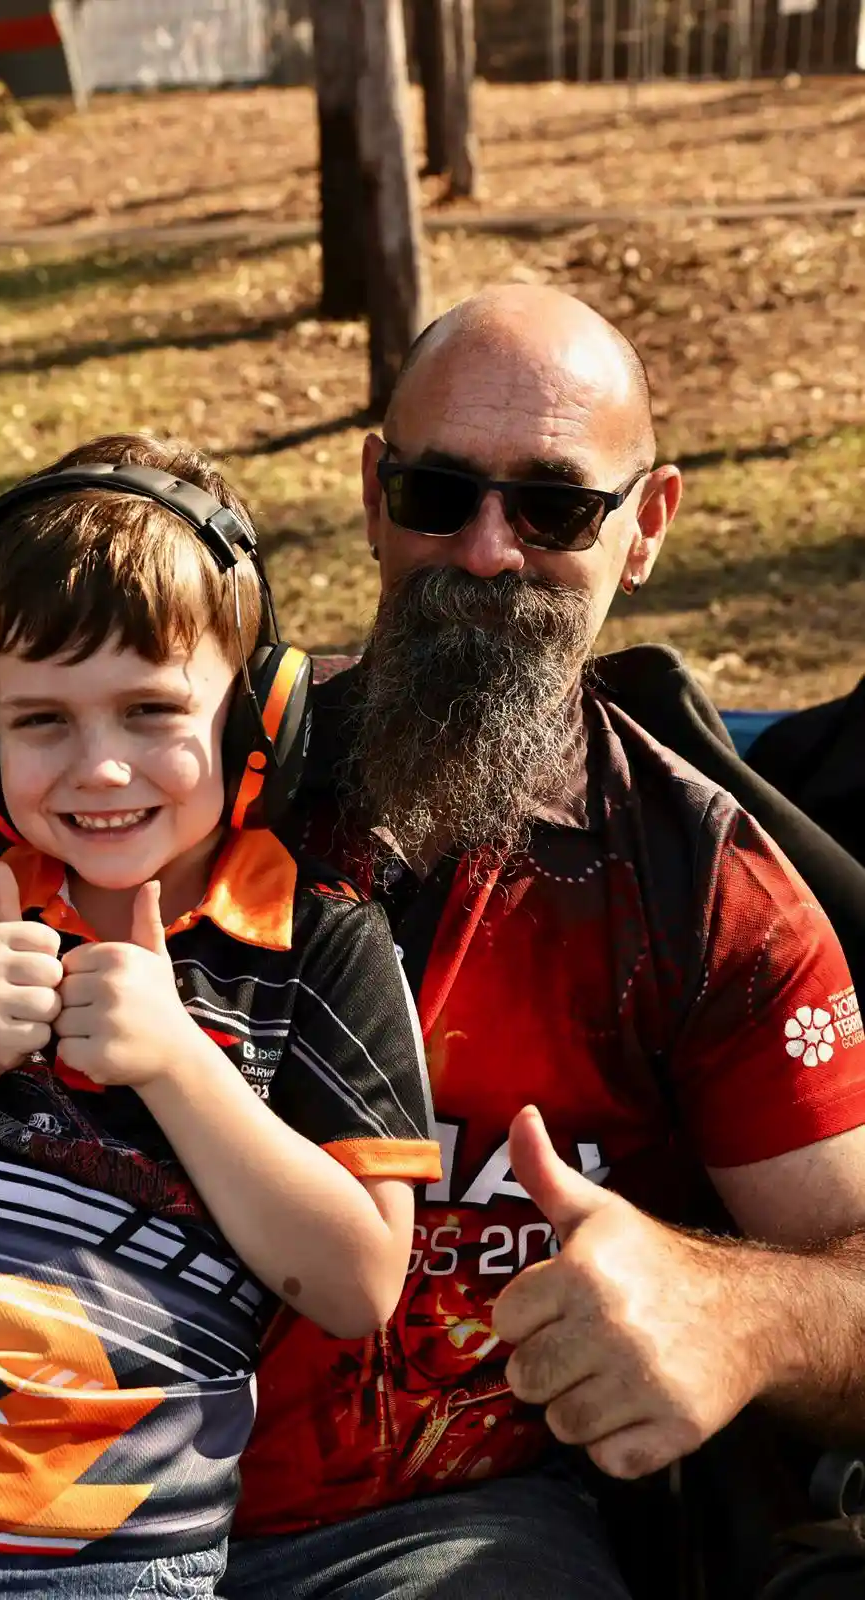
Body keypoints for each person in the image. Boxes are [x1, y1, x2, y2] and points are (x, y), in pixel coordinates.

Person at [214, 285, 865, 1600]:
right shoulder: (166, 775)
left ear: (646, 528)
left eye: (555, 508)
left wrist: (733, 1312)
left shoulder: (700, 892)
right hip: (36, 1473)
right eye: (438, 494)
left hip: (430, 1530)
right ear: (369, 494)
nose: (487, 553)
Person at [0, 435, 441, 1600]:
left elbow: (355, 1283)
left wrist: (177, 1065)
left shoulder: (321, 944)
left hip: (100, 1555)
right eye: (41, 719)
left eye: (151, 709)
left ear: (260, 715)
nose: (100, 769)